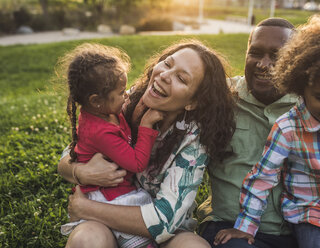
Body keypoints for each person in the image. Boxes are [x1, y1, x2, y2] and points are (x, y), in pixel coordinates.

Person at [57, 40, 236, 248]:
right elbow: (69, 156)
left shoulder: (194, 140)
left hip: (161, 233)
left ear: (193, 102)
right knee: (86, 240)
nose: (165, 75)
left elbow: (164, 222)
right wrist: (81, 172)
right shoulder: (126, 100)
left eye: (181, 78)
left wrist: (84, 208)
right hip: (106, 220)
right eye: (167, 64)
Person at [214, 15, 320, 248]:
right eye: (256, 53)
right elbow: (261, 178)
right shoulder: (286, 125)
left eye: (276, 56)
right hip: (309, 221)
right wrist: (243, 226)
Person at [196, 18, 298, 248]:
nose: (263, 64)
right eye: (256, 53)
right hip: (228, 228)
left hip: (299, 231)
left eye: (276, 55)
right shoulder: (219, 97)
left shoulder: (311, 106)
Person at [58, 43, 164, 247]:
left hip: (117, 190)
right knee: (140, 240)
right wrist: (147, 125)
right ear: (96, 100)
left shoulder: (104, 110)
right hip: (110, 198)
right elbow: (136, 162)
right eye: (122, 91)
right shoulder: (100, 131)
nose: (127, 95)